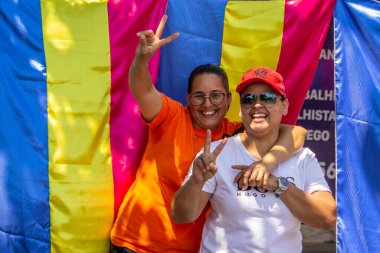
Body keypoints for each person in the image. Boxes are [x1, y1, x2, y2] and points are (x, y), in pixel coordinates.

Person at [110, 16, 307, 253]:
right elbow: (142, 88)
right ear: (188, 99)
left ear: (227, 100)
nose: (207, 104)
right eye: (199, 96)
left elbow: (296, 132)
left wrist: (268, 162)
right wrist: (141, 60)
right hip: (137, 244)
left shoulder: (235, 132)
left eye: (215, 95)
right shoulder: (171, 116)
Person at [171, 67, 337, 253]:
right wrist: (195, 182)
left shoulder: (303, 158)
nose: (257, 105)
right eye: (249, 99)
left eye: (268, 98)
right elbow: (181, 215)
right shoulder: (219, 153)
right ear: (241, 110)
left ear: (284, 105)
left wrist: (278, 184)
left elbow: (328, 219)